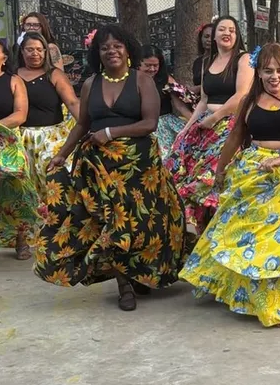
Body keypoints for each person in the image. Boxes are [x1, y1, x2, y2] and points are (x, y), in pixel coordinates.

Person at [179, 43, 280, 328]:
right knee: (247, 236)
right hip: (252, 173)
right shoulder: (249, 101)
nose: (274, 76)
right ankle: (252, 293)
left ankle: (273, 303)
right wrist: (220, 171)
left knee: (277, 239)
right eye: (267, 71)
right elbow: (235, 137)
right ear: (258, 73)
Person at [34, 24, 187, 312]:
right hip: (99, 166)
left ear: (128, 50)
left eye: (117, 45)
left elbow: (149, 123)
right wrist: (61, 155)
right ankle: (123, 283)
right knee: (111, 223)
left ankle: (136, 271)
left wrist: (110, 133)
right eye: (104, 47)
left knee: (141, 223)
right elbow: (82, 124)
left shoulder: (142, 81)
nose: (111, 51)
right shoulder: (90, 84)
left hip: (138, 166)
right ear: (97, 53)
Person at [166, 15, 253, 232]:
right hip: (205, 123)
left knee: (212, 176)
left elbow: (241, 95)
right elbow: (204, 100)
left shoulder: (243, 59)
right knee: (179, 164)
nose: (227, 33)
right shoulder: (208, 62)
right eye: (222, 29)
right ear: (214, 36)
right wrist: (187, 128)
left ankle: (224, 227)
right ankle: (201, 228)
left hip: (230, 124)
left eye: (232, 30)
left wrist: (215, 118)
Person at [17, 32, 80, 203]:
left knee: (54, 182)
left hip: (52, 138)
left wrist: (87, 126)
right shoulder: (14, 76)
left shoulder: (54, 75)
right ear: (22, 51)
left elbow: (73, 102)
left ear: (45, 51)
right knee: (26, 187)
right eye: (30, 49)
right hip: (22, 138)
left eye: (39, 49)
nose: (35, 53)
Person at [0, 41, 38, 260]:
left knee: (17, 190)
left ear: (4, 58)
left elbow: (20, 114)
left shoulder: (14, 81)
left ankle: (21, 239)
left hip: (8, 143)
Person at [138, 45, 194, 161]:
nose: (152, 69)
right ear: (138, 63)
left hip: (165, 123)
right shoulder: (131, 80)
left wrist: (194, 122)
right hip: (141, 125)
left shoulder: (166, 79)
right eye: (148, 65)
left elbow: (179, 105)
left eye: (155, 65)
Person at [191, 22, 214, 96]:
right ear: (201, 38)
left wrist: (198, 88)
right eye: (206, 36)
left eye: (212, 37)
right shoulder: (197, 62)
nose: (209, 40)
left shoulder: (220, 59)